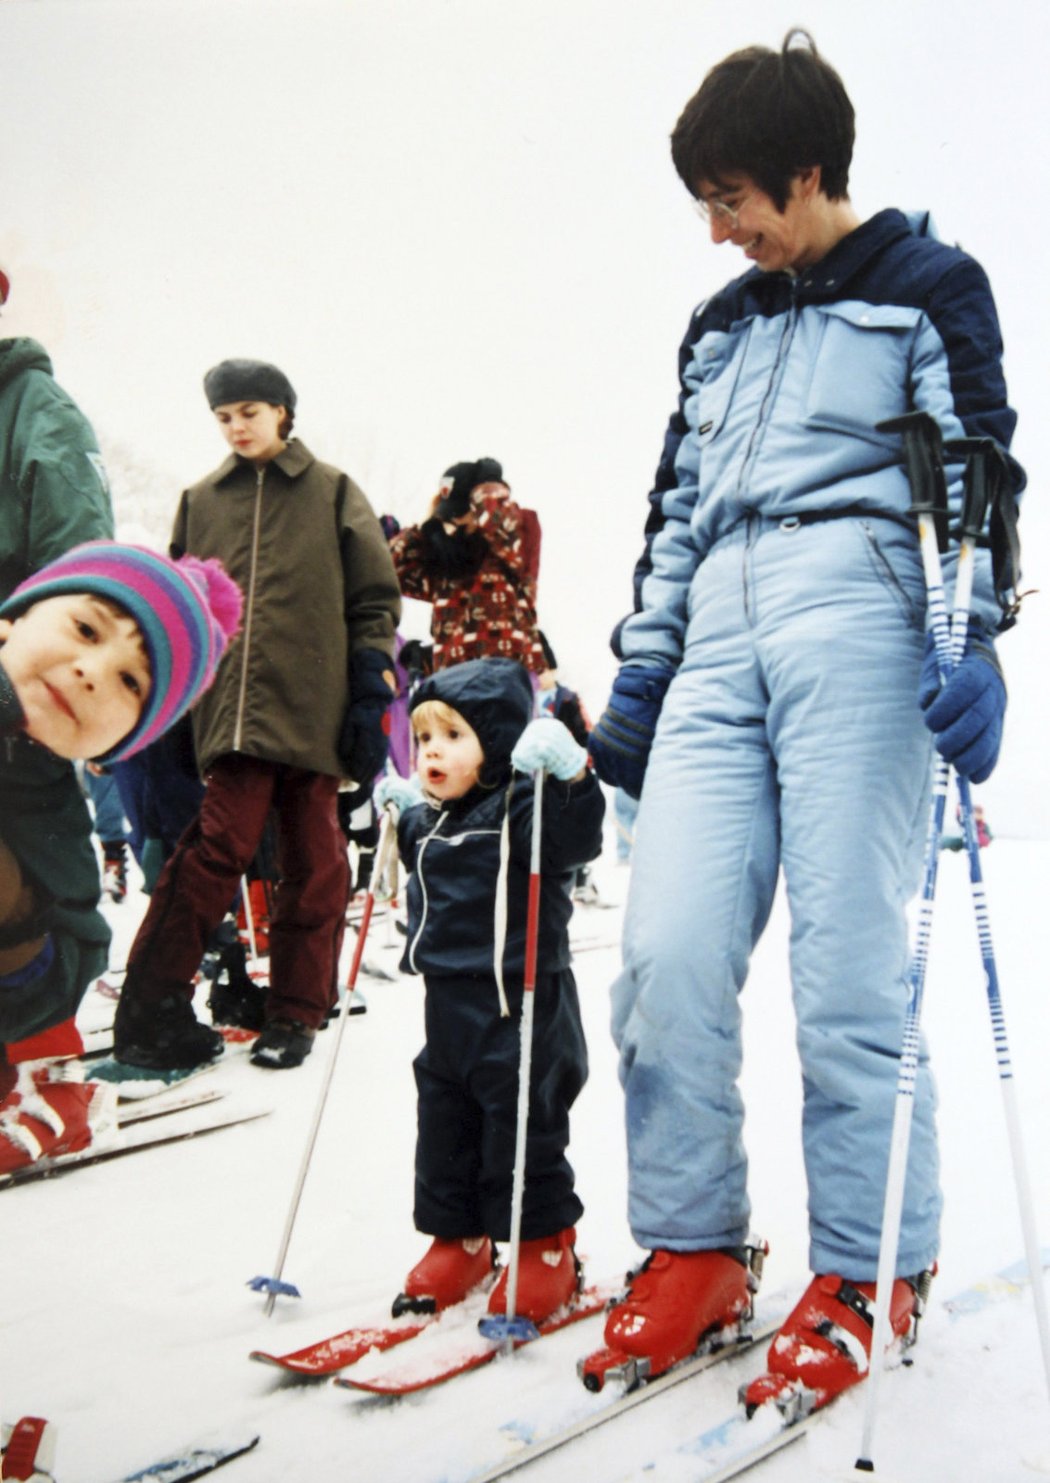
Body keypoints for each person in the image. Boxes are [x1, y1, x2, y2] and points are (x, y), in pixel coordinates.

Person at [587, 32, 1022, 1414]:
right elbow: (670, 512)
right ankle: (695, 1244)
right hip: (718, 632)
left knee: (843, 973)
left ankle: (869, 1260)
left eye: (735, 199)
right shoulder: (717, 331)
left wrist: (969, 637)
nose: (720, 233)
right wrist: (645, 673)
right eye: (704, 206)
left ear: (807, 172)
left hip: (859, 619)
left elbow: (971, 471)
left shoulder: (924, 288)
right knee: (661, 958)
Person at [112, 358, 401, 1074]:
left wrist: (370, 691)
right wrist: (177, 708)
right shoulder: (202, 500)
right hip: (230, 717)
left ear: (283, 412)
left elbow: (374, 599)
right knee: (213, 850)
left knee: (314, 858)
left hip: (313, 708)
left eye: (249, 411)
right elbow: (182, 608)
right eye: (224, 416)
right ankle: (153, 1004)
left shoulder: (334, 492)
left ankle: (296, 1011)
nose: (237, 426)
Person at [375, 658, 604, 1323]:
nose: (432, 752)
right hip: (447, 1006)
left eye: (452, 736)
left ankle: (545, 1247)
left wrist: (570, 775)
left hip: (522, 1001)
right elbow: (416, 843)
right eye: (423, 738)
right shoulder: (433, 820)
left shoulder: (525, 806)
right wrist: (399, 809)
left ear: (497, 742)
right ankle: (462, 1239)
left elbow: (577, 833)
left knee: (521, 1124)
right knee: (445, 1124)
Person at [0, 540, 241, 1170]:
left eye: (130, 681)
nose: (91, 671)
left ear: (119, 743)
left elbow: (70, 947)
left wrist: (16, 921)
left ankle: (45, 1085)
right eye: (84, 629)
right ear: (13, 619)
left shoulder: (49, 814)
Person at [388, 458, 545, 675]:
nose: (455, 521)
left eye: (459, 512)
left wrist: (489, 487)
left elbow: (502, 526)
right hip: (453, 678)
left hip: (505, 675)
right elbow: (391, 567)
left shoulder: (518, 537)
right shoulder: (447, 561)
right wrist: (429, 527)